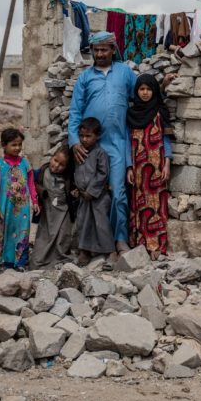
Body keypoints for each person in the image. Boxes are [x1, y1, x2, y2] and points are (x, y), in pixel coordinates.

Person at [68, 31, 176, 255]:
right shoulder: (85, 78)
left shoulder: (125, 73)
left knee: (118, 194)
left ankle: (119, 240)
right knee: (89, 194)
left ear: (112, 50)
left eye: (104, 49)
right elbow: (75, 112)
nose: (99, 54)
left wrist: (163, 87)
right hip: (90, 148)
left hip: (118, 144)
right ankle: (87, 245)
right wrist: (74, 142)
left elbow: (142, 96)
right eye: (96, 50)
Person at [126, 74, 173, 260]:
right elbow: (127, 142)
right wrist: (129, 166)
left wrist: (167, 162)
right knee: (139, 204)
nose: (145, 93)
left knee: (157, 205)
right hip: (137, 168)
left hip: (157, 165)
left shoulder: (160, 112)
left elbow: (166, 139)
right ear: (136, 91)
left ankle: (156, 245)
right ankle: (140, 243)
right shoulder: (131, 114)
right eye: (141, 89)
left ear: (154, 91)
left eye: (149, 89)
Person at [0, 128, 38, 270]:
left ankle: (21, 262)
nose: (17, 148)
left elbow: (31, 183)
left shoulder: (24, 163)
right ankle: (8, 262)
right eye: (13, 145)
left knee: (23, 232)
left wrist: (34, 201)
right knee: (7, 232)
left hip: (23, 209)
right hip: (6, 208)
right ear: (4, 145)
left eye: (19, 145)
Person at [72, 117, 115, 264]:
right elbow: (76, 172)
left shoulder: (100, 153)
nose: (84, 139)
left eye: (88, 136)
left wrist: (91, 191)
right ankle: (84, 251)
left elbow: (103, 173)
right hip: (84, 196)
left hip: (98, 196)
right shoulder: (78, 153)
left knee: (101, 223)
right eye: (81, 136)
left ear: (97, 136)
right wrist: (77, 189)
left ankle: (110, 251)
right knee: (83, 222)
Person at [29, 145, 77, 269]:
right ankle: (40, 262)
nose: (56, 166)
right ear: (52, 156)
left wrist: (74, 194)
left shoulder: (68, 178)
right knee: (43, 239)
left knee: (62, 237)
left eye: (61, 165)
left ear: (67, 167)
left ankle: (59, 260)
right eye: (55, 160)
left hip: (63, 214)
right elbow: (31, 183)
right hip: (47, 214)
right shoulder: (42, 172)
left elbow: (73, 191)